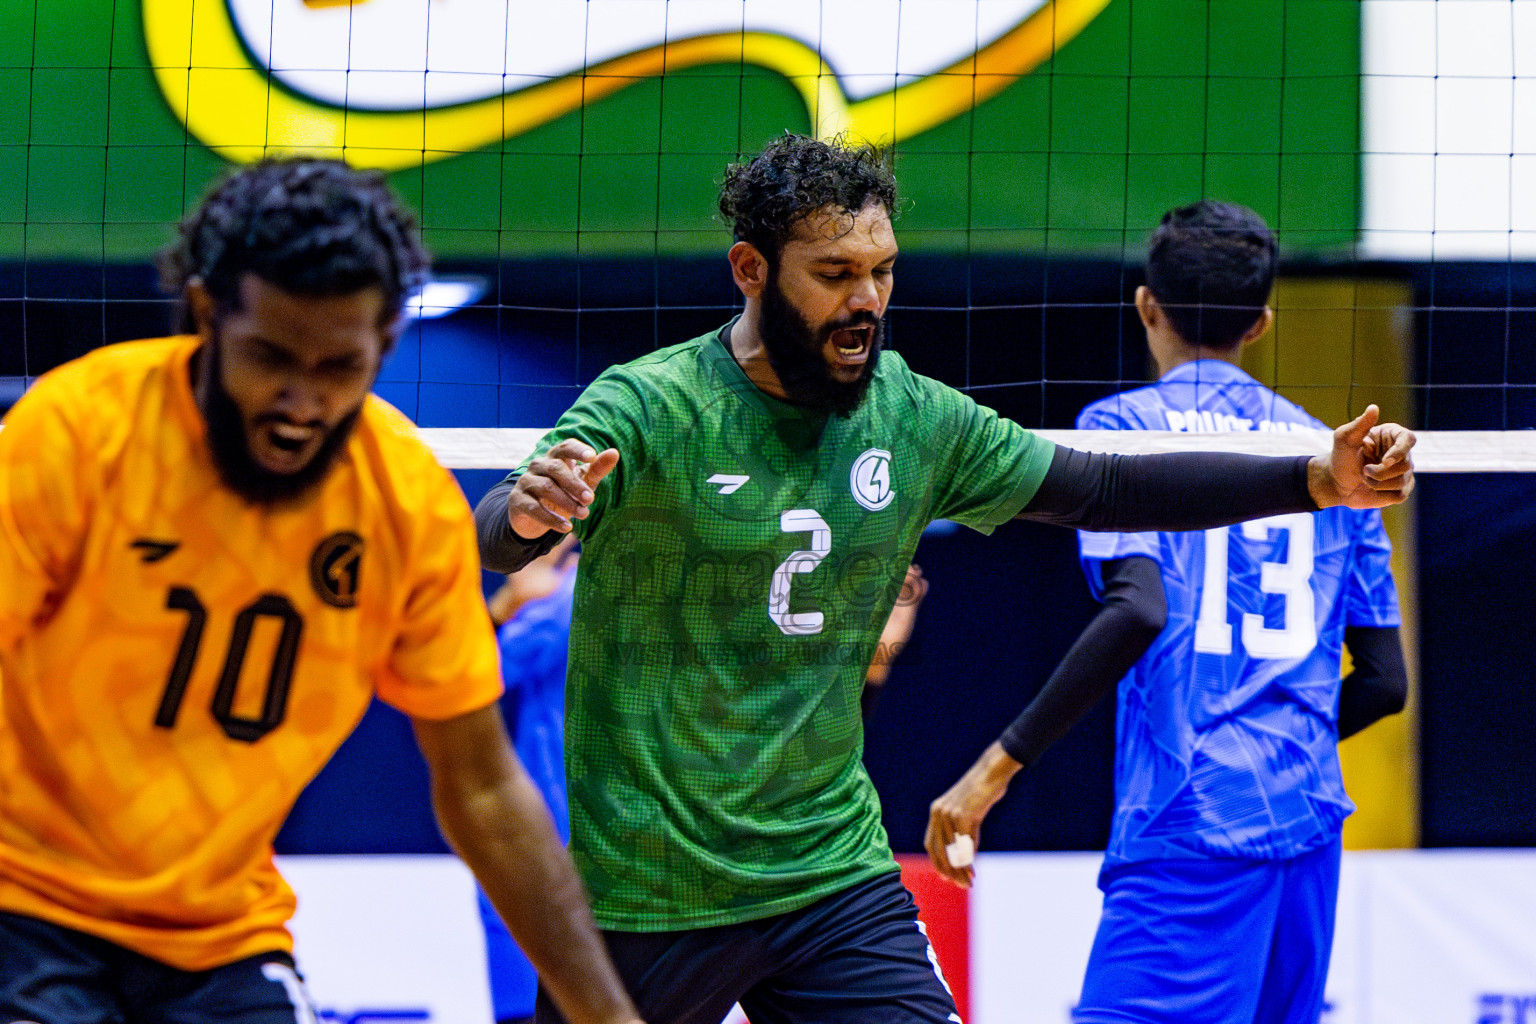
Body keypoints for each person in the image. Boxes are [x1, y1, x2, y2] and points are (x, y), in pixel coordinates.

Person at [473, 135, 1414, 1024]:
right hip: (651, 891)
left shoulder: (914, 414)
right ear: (751, 271)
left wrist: (1310, 480)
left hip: (826, 878)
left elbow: (1107, 483)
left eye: (882, 271)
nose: (867, 299)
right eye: (835, 275)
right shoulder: (652, 402)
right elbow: (497, 538)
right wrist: (524, 513)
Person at [0, 159, 641, 1024]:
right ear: (205, 317)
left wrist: (608, 1016)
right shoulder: (76, 432)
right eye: (269, 357)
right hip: (24, 903)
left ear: (383, 347)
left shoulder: (405, 502)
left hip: (220, 934)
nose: (300, 403)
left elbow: (482, 787)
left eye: (338, 366)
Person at [925, 200, 1410, 1024]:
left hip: (1193, 816)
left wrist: (990, 773)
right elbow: (1386, 683)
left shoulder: (1121, 430)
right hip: (1306, 824)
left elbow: (1139, 608)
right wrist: (1273, 744)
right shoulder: (1335, 461)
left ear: (1146, 306)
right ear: (1260, 324)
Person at [476, 548, 924, 1024]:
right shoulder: (580, 597)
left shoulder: (592, 594)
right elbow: (465, 684)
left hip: (672, 884)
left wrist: (504, 608)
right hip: (604, 876)